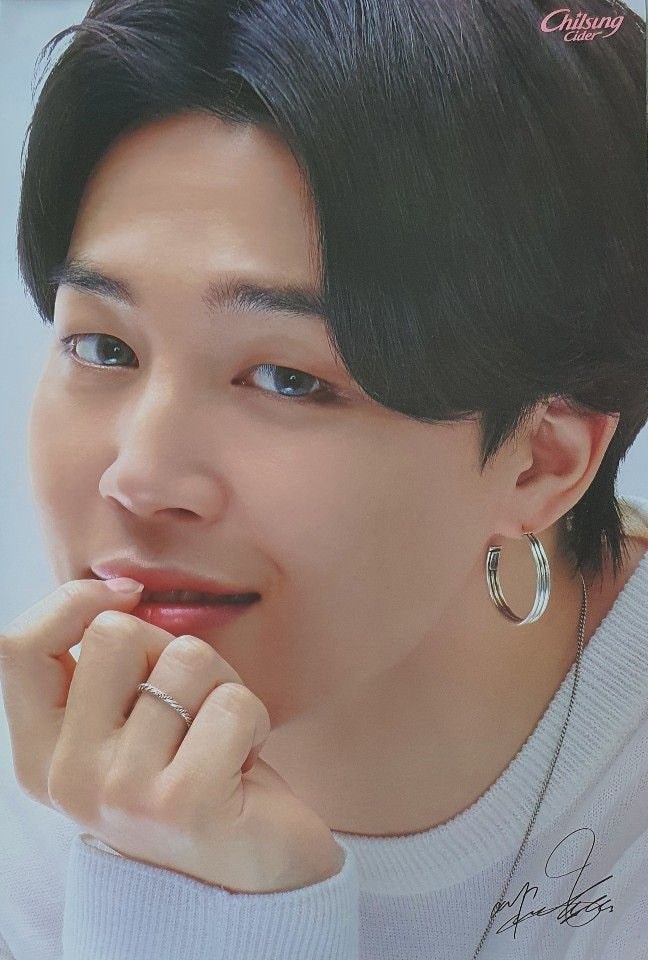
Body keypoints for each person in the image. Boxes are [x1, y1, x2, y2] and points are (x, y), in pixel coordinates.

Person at [0, 0, 646, 957]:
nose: (139, 479)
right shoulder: (40, 760)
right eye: (103, 347)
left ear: (542, 463)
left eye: (286, 378)